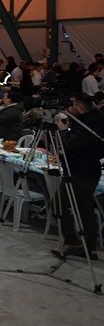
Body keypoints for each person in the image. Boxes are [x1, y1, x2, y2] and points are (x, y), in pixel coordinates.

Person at [53, 93, 104, 259]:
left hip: (79, 172)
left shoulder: (87, 124)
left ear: (80, 107)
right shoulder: (94, 119)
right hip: (88, 171)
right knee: (85, 208)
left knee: (59, 203)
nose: (67, 110)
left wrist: (62, 130)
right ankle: (89, 246)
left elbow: (69, 146)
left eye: (70, 107)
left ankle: (72, 242)